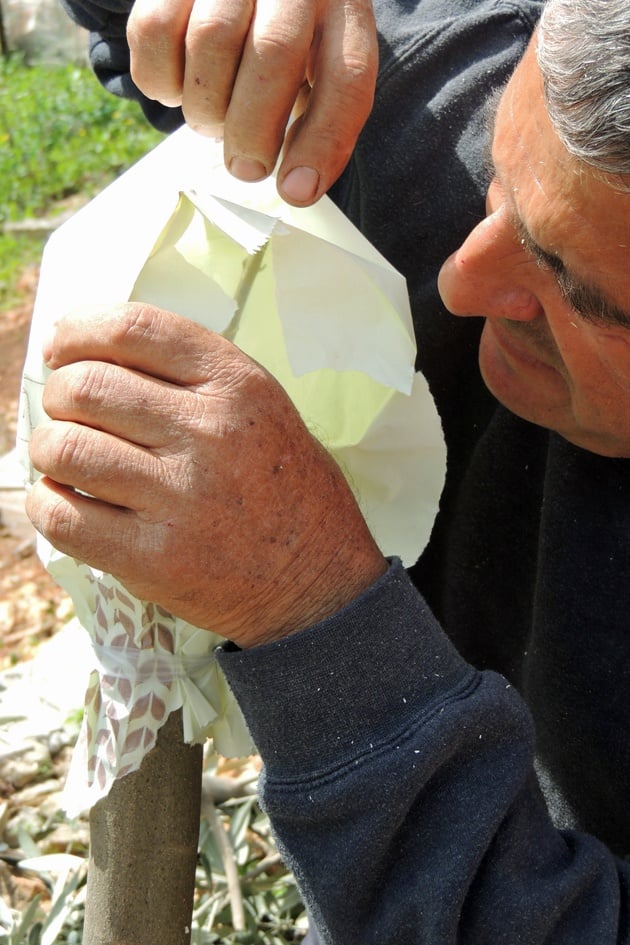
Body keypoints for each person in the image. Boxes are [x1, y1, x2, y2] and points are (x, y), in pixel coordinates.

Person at [28, 0, 630, 940]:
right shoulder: (443, 110)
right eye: (500, 185)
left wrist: (317, 617)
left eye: (573, 286)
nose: (463, 282)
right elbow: (134, 33)